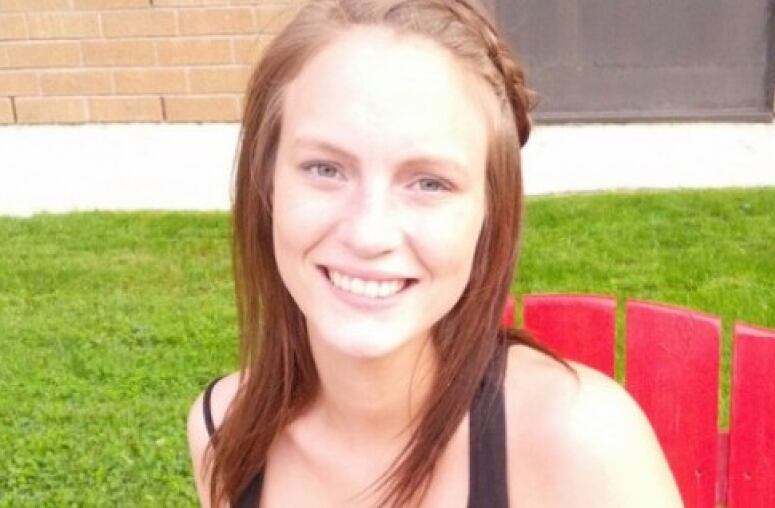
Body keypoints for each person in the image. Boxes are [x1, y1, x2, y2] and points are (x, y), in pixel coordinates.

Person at [187, 1, 683, 506]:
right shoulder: (225, 429)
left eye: (430, 182)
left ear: (490, 213)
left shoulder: (580, 443)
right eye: (325, 168)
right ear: (266, 183)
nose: (368, 232)